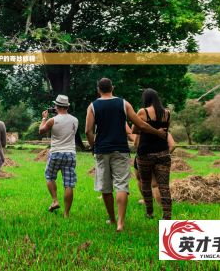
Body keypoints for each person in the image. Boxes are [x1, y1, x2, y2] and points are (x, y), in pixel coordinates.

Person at [85, 78, 166, 232]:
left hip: (102, 150)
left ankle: (112, 218)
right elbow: (140, 124)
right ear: (112, 88)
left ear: (98, 89)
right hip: (121, 150)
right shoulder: (124, 103)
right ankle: (121, 223)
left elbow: (88, 131)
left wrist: (93, 146)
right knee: (121, 185)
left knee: (106, 187)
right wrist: (157, 132)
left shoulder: (92, 106)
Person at [133, 88, 174, 220]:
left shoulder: (142, 112)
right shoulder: (167, 113)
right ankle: (167, 216)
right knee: (164, 186)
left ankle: (149, 212)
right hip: (163, 153)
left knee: (145, 183)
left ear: (146, 99)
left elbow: (135, 129)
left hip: (145, 153)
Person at [39, 94, 79, 217]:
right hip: (70, 153)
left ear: (56, 106)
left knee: (49, 176)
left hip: (56, 152)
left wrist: (44, 118)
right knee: (69, 184)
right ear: (67, 106)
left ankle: (55, 200)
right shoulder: (75, 120)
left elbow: (41, 131)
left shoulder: (53, 120)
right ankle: (66, 213)